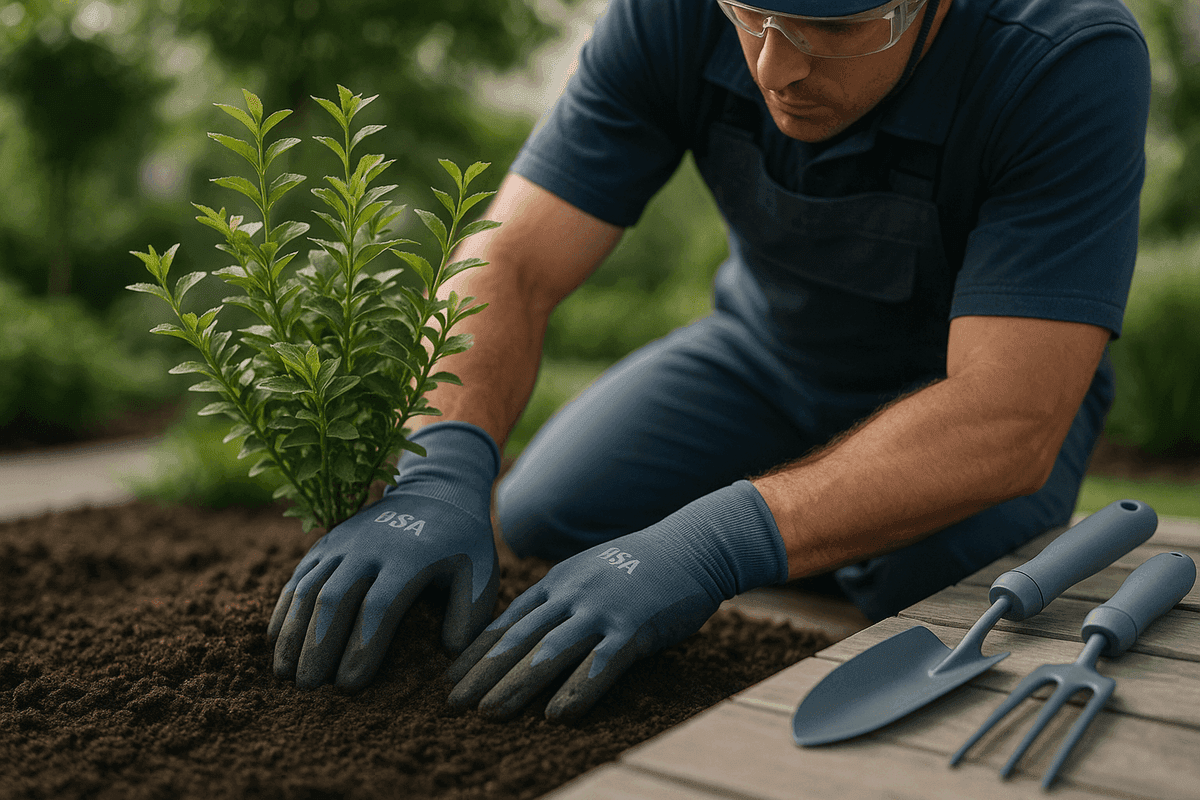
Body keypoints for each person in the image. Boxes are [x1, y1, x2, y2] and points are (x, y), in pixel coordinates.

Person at [268, 0, 1151, 721]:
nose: (774, 68)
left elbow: (1009, 415)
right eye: (751, 16)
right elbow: (512, 260)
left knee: (926, 597)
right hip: (761, 355)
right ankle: (825, 533)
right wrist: (440, 469)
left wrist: (715, 544)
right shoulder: (669, 15)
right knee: (540, 518)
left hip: (969, 400)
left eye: (832, 30)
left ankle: (843, 547)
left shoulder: (1062, 56)